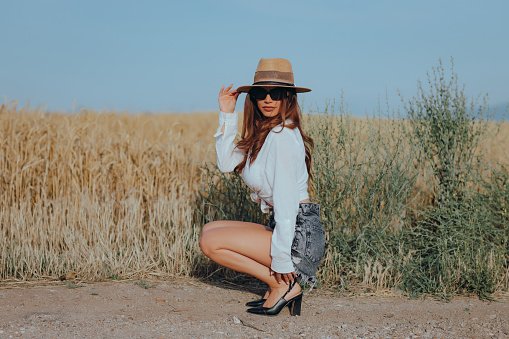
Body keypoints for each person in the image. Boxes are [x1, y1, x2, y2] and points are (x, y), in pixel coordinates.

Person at [200, 58, 325, 316]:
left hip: (299, 235)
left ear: (288, 97)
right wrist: (226, 113)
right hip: (290, 226)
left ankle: (282, 284)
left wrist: (281, 260)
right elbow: (226, 163)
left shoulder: (282, 137)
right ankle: (281, 284)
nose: (268, 99)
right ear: (253, 99)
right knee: (210, 229)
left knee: (211, 242)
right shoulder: (266, 133)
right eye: (260, 93)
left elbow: (287, 202)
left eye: (276, 93)